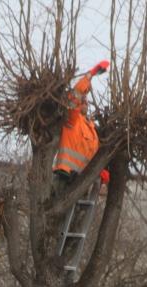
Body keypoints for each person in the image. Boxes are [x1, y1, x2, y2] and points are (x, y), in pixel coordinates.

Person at [52, 60, 109, 196]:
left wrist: (100, 171)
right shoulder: (72, 119)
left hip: (81, 182)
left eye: (86, 99)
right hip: (64, 178)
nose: (85, 101)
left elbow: (90, 155)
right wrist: (90, 75)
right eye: (83, 98)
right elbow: (74, 97)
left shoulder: (90, 128)